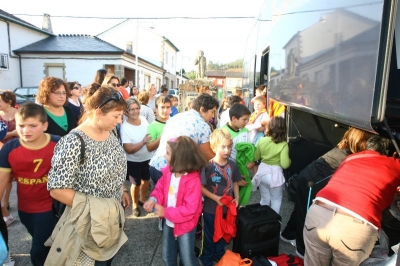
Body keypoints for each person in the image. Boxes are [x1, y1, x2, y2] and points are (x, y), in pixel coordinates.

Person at [46, 86, 130, 265]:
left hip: (111, 217)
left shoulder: (111, 131)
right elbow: (57, 190)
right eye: (116, 116)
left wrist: (121, 188)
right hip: (88, 223)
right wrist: (98, 208)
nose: (120, 121)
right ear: (99, 113)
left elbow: (116, 163)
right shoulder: (73, 142)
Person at [303, 135, 400, 266]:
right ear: (394, 152)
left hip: (318, 213)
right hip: (355, 226)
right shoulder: (396, 165)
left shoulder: (351, 158)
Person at [280, 127, 374, 257]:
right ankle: (302, 251)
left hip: (307, 178)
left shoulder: (344, 146)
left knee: (300, 209)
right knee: (307, 215)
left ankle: (287, 234)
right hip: (310, 183)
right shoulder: (349, 155)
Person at [0, 103, 60, 266]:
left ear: (44, 125)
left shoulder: (59, 145)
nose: (26, 130)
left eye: (33, 126)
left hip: (51, 208)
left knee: (38, 251)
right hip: (25, 210)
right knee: (43, 242)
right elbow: (2, 180)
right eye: (21, 126)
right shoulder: (9, 149)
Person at [143, 136, 207, 266]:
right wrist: (153, 198)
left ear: (180, 158)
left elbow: (190, 209)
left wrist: (165, 212)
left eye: (167, 153)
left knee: (188, 260)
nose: (164, 155)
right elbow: (160, 187)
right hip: (169, 223)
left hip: (186, 227)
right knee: (167, 256)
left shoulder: (193, 181)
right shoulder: (169, 171)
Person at [149, 93, 218, 186]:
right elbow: (208, 155)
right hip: (171, 172)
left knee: (159, 198)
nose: (213, 116)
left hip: (155, 166)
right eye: (212, 111)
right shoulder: (202, 126)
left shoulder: (177, 117)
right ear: (202, 109)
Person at [199, 129, 241, 266]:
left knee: (223, 231)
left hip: (227, 209)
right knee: (210, 234)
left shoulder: (232, 164)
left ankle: (219, 253)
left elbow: (235, 182)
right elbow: (201, 187)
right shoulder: (208, 166)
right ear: (214, 146)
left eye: (229, 146)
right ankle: (207, 258)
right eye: (223, 146)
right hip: (211, 209)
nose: (227, 150)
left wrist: (237, 197)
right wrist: (215, 198)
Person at [120, 97, 153, 217]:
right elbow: (128, 149)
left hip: (147, 157)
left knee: (146, 180)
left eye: (137, 108)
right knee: (136, 184)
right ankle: (134, 204)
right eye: (131, 109)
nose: (135, 111)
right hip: (133, 161)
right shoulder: (125, 127)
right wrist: (143, 142)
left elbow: (151, 133)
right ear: (126, 112)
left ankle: (142, 198)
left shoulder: (144, 119)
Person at [251, 117, 290, 214]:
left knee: (265, 200)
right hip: (275, 176)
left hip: (262, 174)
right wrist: (289, 160)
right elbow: (285, 165)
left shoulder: (261, 141)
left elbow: (256, 157)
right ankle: (274, 226)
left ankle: (261, 222)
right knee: (276, 201)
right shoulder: (284, 144)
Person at [221, 103, 254, 205]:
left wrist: (251, 161)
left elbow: (249, 149)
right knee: (230, 202)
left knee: (240, 203)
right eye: (244, 119)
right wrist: (235, 176)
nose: (247, 122)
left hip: (243, 173)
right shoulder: (223, 132)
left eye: (248, 119)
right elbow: (222, 158)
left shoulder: (245, 131)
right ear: (234, 118)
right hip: (229, 175)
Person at [0, 91, 18, 226]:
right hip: (1, 147)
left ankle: (5, 202)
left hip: (14, 148)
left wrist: (5, 135)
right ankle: (4, 204)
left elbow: (19, 131)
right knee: (4, 176)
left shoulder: (17, 113)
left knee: (11, 177)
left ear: (8, 102)